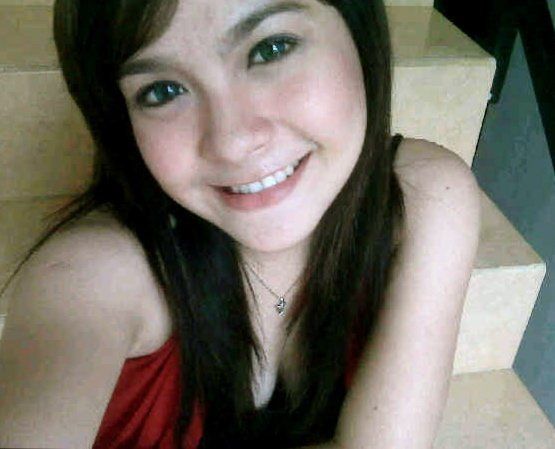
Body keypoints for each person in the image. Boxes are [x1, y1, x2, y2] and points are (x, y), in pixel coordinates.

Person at [0, 0, 481, 448]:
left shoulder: (423, 195)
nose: (231, 142)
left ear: (358, 29)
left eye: (271, 49)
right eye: (163, 91)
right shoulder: (90, 276)